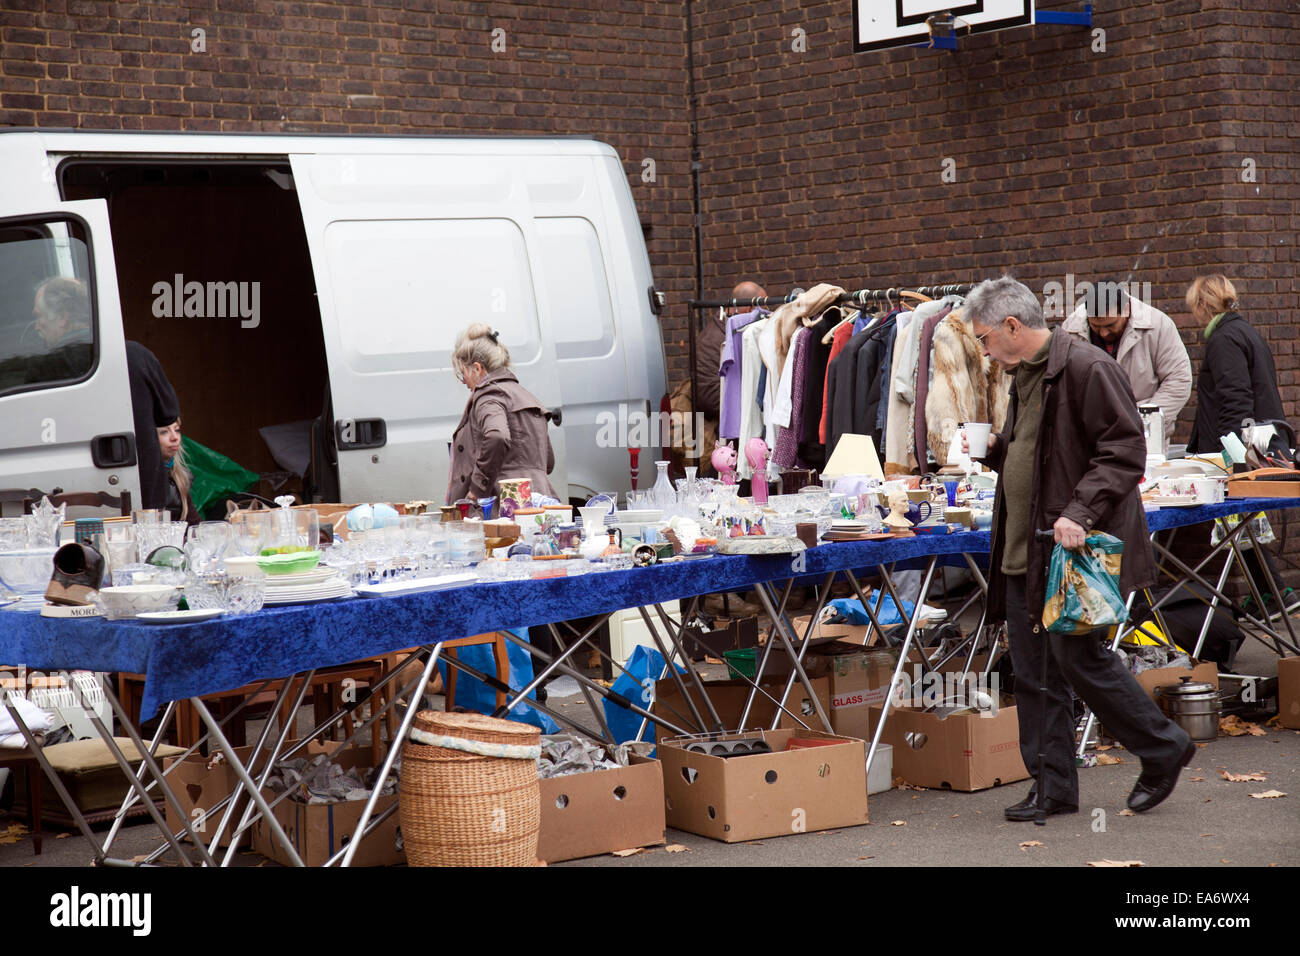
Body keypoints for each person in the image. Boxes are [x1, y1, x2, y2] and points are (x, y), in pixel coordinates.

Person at [966, 276, 1193, 821]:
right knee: (1033, 670)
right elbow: (1043, 456)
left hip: (1072, 549)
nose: (983, 349)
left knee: (1079, 660)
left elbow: (1124, 450)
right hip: (1028, 548)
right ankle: (1053, 788)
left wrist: (1079, 511)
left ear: (1012, 327)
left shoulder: (1087, 368)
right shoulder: (1027, 373)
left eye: (984, 337)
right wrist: (999, 450)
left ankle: (1163, 746)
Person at [1184, 275, 1297, 618]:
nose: (1194, 316)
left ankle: (1276, 594)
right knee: (1241, 524)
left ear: (1204, 305)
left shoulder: (1223, 339)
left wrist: (1232, 459)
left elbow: (1234, 400)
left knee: (1239, 522)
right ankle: (1272, 596)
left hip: (1238, 449)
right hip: (1256, 442)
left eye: (1194, 308)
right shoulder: (1246, 332)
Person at [1061, 279, 1191, 440]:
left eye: (1110, 325)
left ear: (1126, 308)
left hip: (1144, 437)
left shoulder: (1159, 325)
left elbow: (1178, 380)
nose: (1103, 333)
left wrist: (1142, 423)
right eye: (1095, 326)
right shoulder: (1070, 329)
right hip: (1090, 437)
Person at [446, 323, 557, 504]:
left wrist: (476, 490)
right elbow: (549, 461)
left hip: (505, 504)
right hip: (540, 499)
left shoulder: (488, 396)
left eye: (462, 372)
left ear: (477, 368)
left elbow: (497, 436)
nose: (464, 381)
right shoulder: (526, 396)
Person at [157, 417, 199, 525]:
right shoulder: (141, 480)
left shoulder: (179, 477)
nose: (175, 437)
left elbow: (195, 525)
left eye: (177, 430)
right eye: (164, 432)